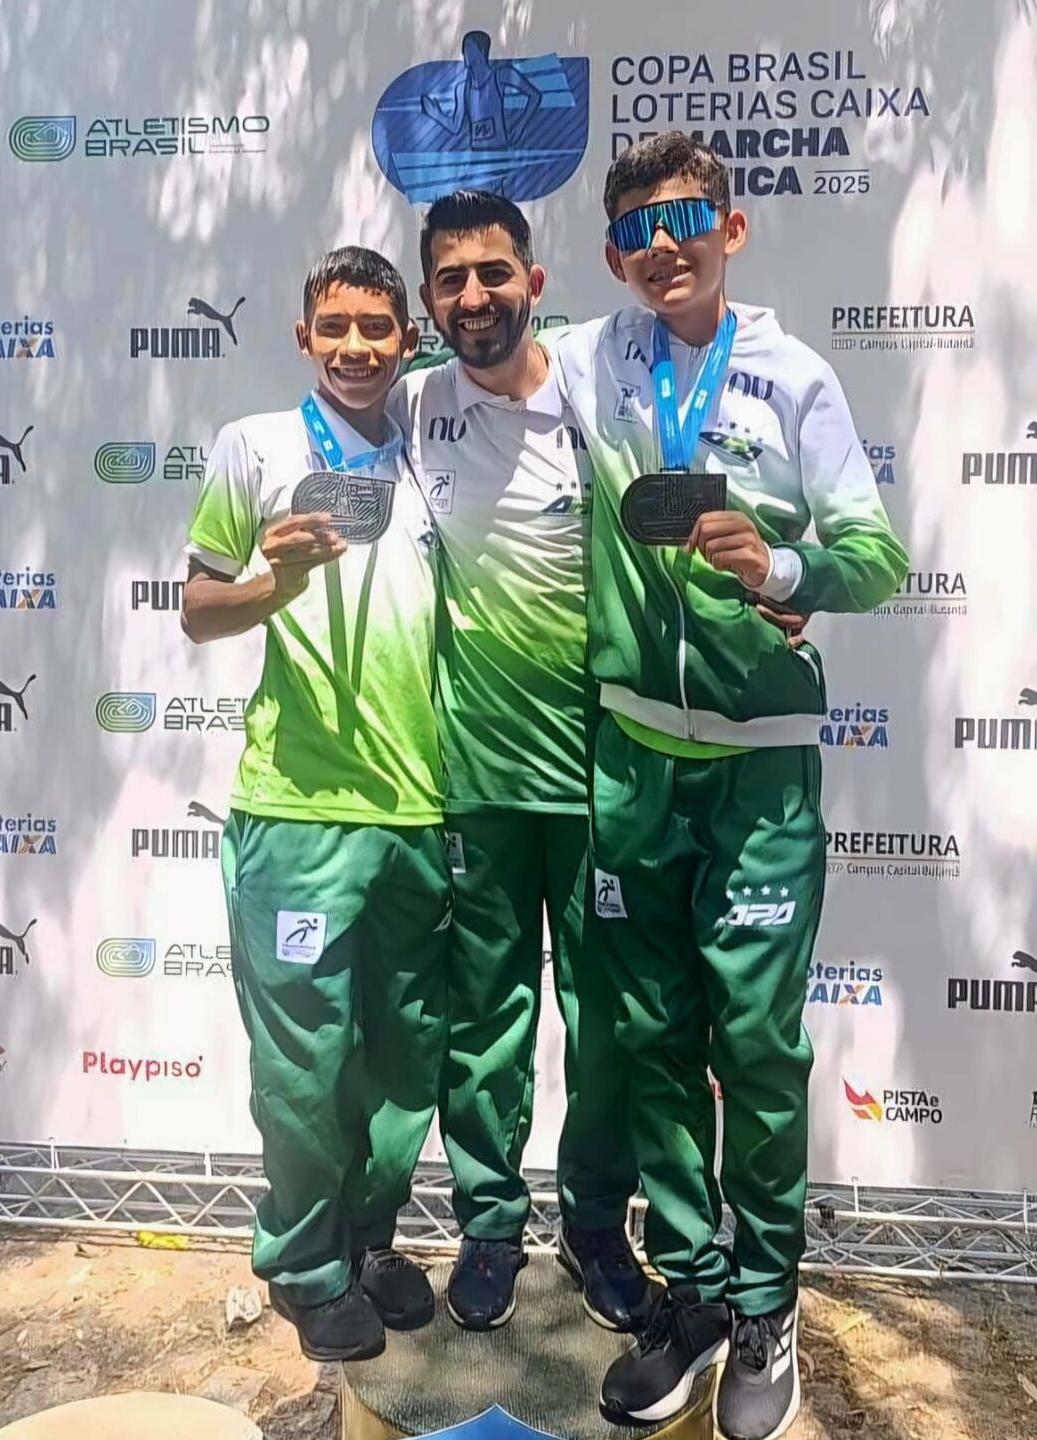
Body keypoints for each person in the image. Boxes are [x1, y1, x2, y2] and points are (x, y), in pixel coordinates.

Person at [552, 134, 909, 1439]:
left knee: (754, 1049)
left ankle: (766, 1304)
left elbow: (875, 557)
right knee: (652, 1044)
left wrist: (780, 570)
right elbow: (469, 364)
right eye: (638, 230)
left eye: (686, 219)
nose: (665, 246)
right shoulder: (592, 362)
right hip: (632, 763)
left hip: (758, 775)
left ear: (732, 229)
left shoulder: (794, 376)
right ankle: (694, 1294)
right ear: (613, 257)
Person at [180, 246, 450, 1364]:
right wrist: (272, 583)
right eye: (334, 327)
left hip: (424, 810)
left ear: (407, 340)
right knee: (304, 1065)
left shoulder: (436, 448)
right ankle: (301, 1263)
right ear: (304, 337)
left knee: (405, 1059)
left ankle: (367, 1240)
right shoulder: (254, 447)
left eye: (376, 328)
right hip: (297, 812)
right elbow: (198, 608)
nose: (354, 347)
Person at [388, 190, 650, 1334]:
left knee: (608, 1024)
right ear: (428, 300)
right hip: (477, 781)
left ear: (535, 282)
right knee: (484, 1020)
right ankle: (491, 1226)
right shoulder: (409, 405)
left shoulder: (604, 391)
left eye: (493, 273)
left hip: (603, 779)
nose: (474, 296)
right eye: (450, 280)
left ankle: (597, 1228)